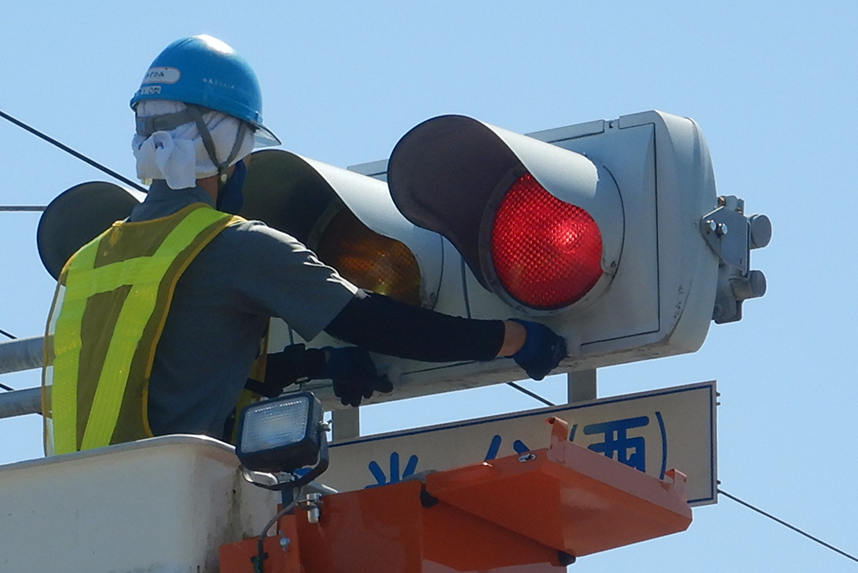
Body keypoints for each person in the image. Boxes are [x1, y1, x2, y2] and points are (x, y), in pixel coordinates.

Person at [42, 35, 566, 455]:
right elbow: (371, 322)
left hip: (75, 511)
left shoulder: (87, 261)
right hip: (174, 506)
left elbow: (170, 373)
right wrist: (513, 338)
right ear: (226, 145)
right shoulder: (235, 247)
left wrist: (314, 365)